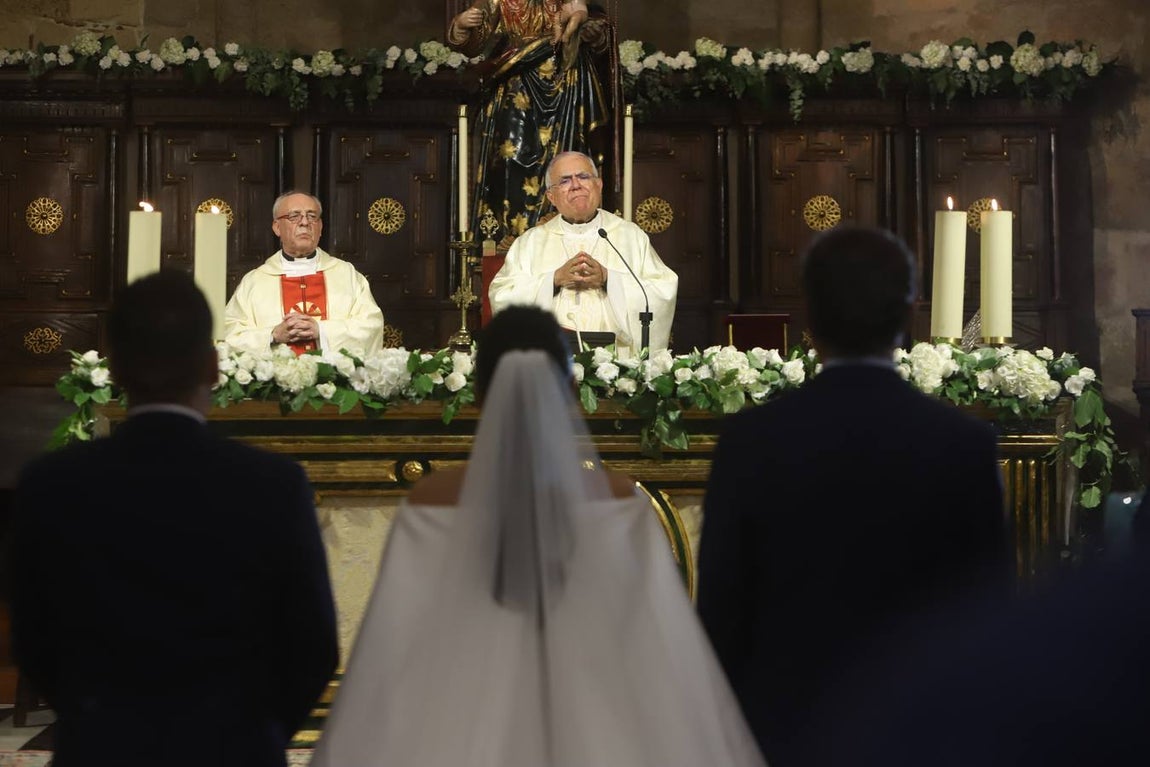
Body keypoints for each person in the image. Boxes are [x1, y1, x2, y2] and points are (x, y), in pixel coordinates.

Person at [310, 305, 764, 767]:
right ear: (569, 388)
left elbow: (394, 646)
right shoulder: (619, 500)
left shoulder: (431, 501)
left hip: (456, 727)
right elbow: (656, 649)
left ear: (480, 395)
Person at [696, 225, 1009, 767]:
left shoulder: (750, 442)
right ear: (907, 316)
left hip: (785, 728)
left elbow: (721, 614)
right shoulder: (963, 445)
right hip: (922, 732)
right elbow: (986, 613)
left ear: (809, 320)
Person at [10, 271, 339, 767]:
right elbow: (312, 647)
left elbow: (33, 640)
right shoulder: (273, 485)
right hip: (233, 749)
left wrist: (99, 721)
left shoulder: (49, 484)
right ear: (212, 367)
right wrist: (253, 734)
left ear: (115, 369)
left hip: (100, 748)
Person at [447, 0, 615, 241]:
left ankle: (567, 235)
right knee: (512, 160)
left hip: (566, 86)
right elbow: (476, 41)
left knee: (567, 161)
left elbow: (598, 28)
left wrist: (593, 30)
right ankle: (512, 240)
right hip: (517, 86)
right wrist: (462, 26)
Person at [487, 151, 678, 357]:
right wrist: (553, 280)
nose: (576, 184)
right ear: (551, 196)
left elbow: (662, 292)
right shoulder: (531, 243)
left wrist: (608, 278)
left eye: (584, 176)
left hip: (618, 363)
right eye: (565, 181)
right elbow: (501, 295)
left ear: (599, 185)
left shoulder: (630, 237)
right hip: (549, 359)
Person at [223, 191, 384, 356]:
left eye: (312, 216)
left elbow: (371, 324)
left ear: (320, 227)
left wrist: (322, 331)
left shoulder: (347, 275)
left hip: (335, 381)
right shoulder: (254, 281)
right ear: (277, 227)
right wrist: (273, 335)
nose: (305, 222)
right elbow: (230, 335)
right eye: (294, 216)